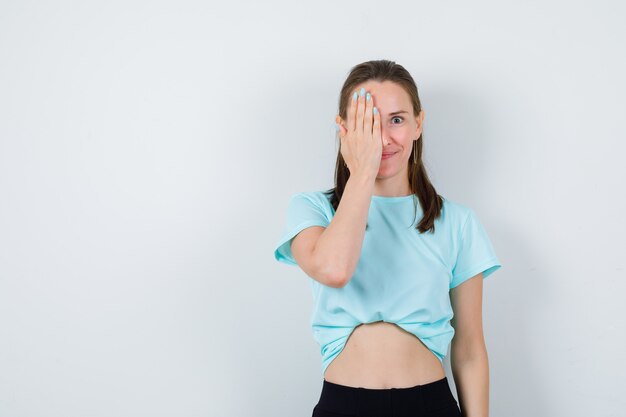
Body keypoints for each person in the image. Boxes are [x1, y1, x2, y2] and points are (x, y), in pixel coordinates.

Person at [273, 60, 502, 417]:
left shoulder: (457, 222)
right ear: (345, 129)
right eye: (367, 123)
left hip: (430, 404)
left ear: (418, 124)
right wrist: (364, 168)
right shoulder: (312, 210)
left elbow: (470, 348)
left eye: (396, 119)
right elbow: (334, 268)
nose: (382, 138)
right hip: (344, 405)